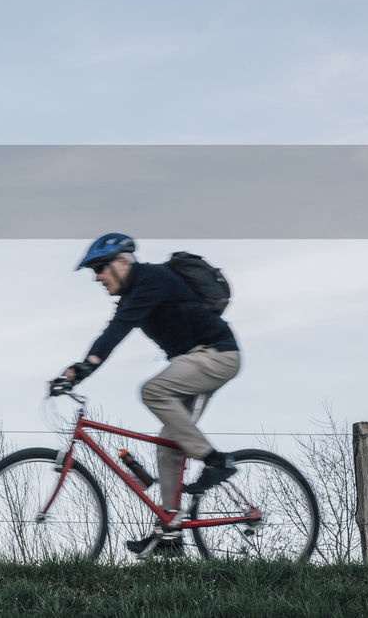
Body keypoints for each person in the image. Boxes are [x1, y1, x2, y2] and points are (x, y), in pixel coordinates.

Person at [57, 232, 241, 557]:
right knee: (170, 449)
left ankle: (216, 462)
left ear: (123, 262)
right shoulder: (136, 294)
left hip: (215, 355)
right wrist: (80, 369)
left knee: (153, 390)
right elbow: (113, 330)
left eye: (100, 268)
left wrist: (85, 367)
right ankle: (170, 536)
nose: (97, 277)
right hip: (193, 360)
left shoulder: (151, 279)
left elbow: (118, 330)